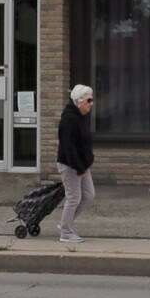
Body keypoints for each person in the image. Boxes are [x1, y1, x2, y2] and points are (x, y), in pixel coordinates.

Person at [55, 83, 95, 244]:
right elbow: (68, 147)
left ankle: (66, 223)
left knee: (89, 195)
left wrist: (86, 161)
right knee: (74, 197)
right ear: (79, 101)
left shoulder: (82, 117)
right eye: (89, 100)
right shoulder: (69, 120)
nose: (91, 104)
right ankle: (65, 232)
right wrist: (78, 167)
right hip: (70, 165)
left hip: (81, 164)